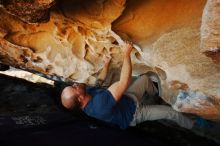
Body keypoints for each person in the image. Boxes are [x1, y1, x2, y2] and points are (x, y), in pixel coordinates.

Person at [60, 42, 195, 129]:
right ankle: (193, 125)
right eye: (74, 88)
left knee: (145, 79)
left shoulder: (87, 93)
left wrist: (106, 63)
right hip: (134, 114)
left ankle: (158, 96)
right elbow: (124, 81)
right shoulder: (99, 106)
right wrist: (126, 53)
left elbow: (99, 81)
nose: (75, 84)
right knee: (171, 113)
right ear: (79, 98)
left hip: (127, 99)